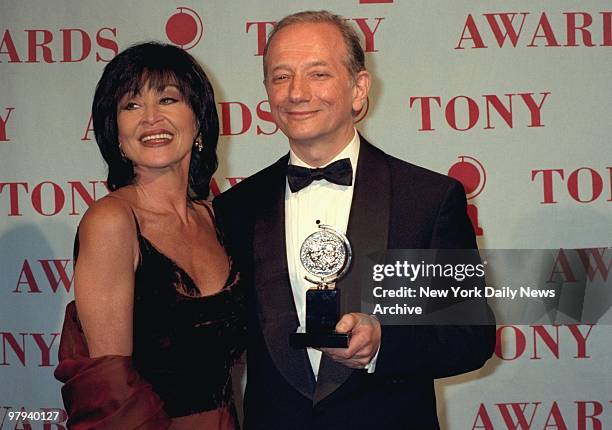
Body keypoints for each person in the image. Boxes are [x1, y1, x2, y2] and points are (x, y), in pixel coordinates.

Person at [213, 10, 496, 429]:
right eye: (280, 76)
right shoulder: (235, 208)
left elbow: (471, 339)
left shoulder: (428, 199)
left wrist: (383, 342)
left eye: (318, 74)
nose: (296, 92)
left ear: (359, 88)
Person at [54, 42, 246, 430]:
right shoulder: (111, 220)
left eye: (168, 99)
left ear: (198, 120)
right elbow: (111, 390)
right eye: (131, 105)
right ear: (117, 132)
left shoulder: (218, 218)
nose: (150, 119)